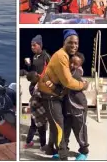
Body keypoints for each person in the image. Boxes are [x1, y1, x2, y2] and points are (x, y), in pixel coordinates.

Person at [37, 29, 88, 160]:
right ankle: (63, 155)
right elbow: (67, 82)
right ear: (64, 42)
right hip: (51, 97)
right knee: (59, 125)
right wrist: (83, 85)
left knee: (60, 125)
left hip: (64, 100)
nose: (74, 46)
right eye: (70, 42)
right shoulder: (61, 57)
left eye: (76, 43)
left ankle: (52, 148)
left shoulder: (69, 61)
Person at [24, 35, 50, 149]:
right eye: (31, 45)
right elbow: (33, 72)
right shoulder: (34, 57)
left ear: (40, 45)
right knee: (38, 110)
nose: (32, 47)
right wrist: (29, 65)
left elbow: (49, 72)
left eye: (34, 45)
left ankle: (40, 132)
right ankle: (40, 132)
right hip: (34, 87)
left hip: (42, 87)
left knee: (42, 112)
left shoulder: (46, 57)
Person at [64, 52, 89, 160]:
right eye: (71, 62)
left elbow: (68, 82)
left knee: (80, 130)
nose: (72, 65)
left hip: (78, 107)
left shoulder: (76, 74)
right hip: (66, 107)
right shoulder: (67, 71)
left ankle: (84, 151)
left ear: (80, 65)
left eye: (75, 64)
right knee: (65, 130)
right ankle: (63, 150)